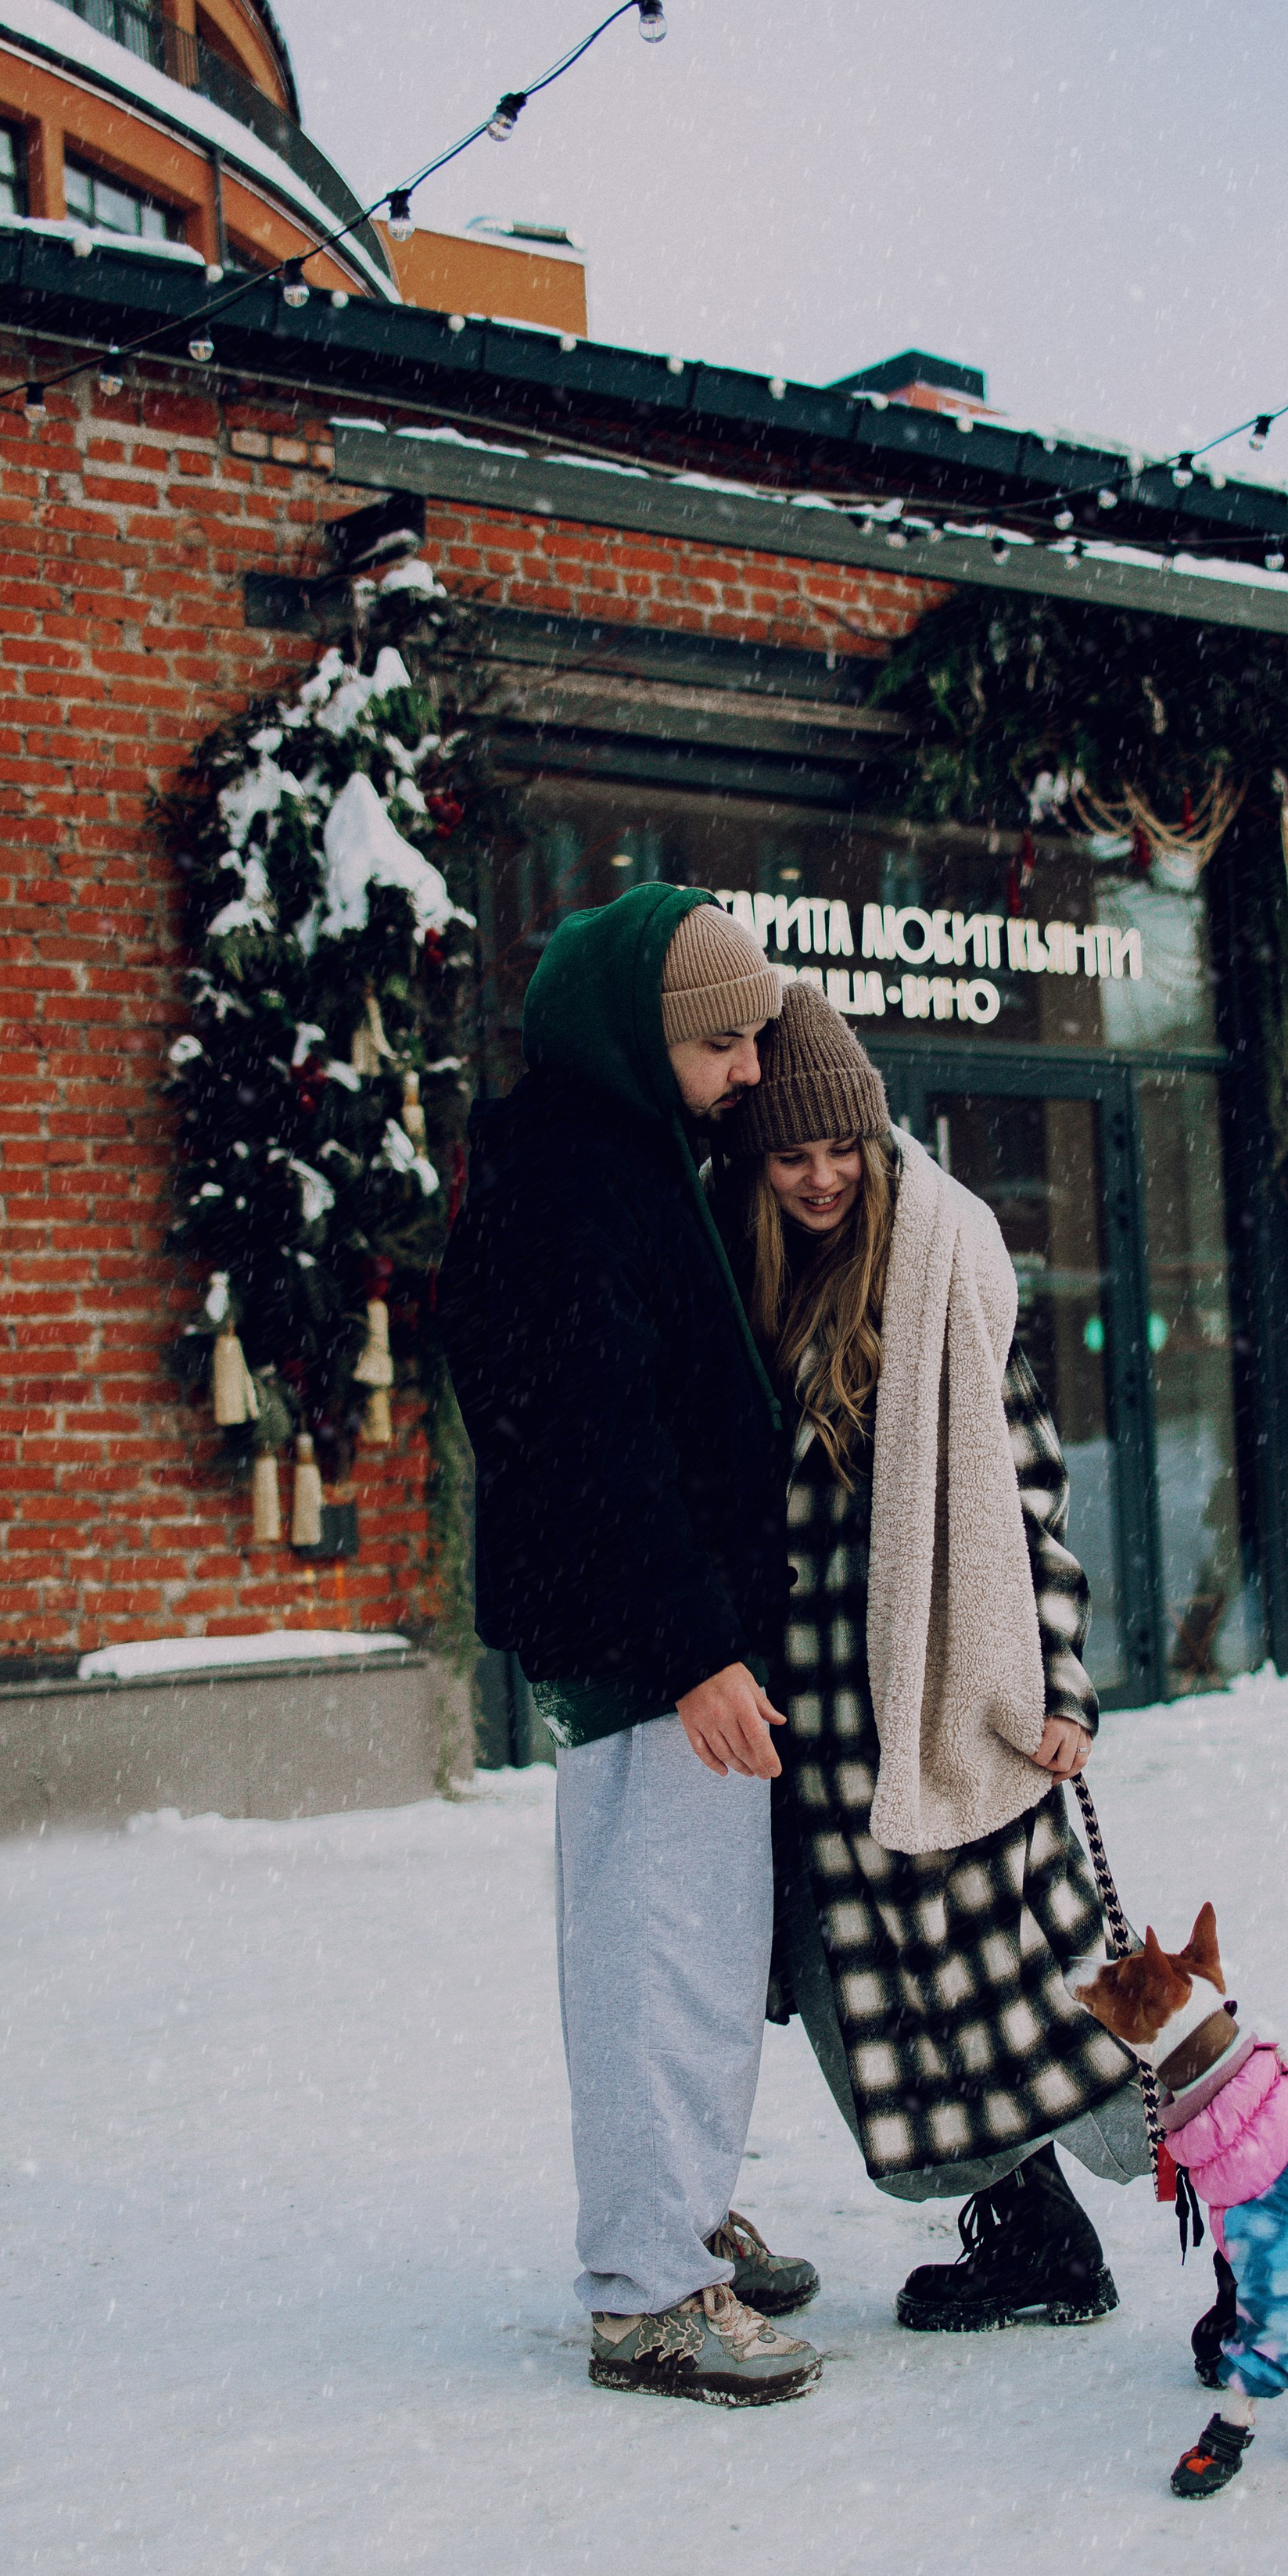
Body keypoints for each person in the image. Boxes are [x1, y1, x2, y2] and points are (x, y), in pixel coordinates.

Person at [439, 884, 824, 2407]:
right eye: (724, 1043)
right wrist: (686, 1645)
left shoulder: (636, 1155)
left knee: (707, 1952)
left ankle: (680, 2225)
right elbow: (594, 1439)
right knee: (654, 1959)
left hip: (687, 1633)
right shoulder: (564, 1179)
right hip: (647, 1643)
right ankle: (643, 2291)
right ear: (641, 1035)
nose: (748, 1072)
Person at [714, 980, 1149, 2330]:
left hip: (937, 1689)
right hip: (813, 1713)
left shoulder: (937, 1278)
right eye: (793, 1153)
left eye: (841, 1147)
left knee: (995, 1980)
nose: (824, 1176)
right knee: (884, 2000)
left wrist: (1063, 1679)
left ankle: (1081, 2231)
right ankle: (1029, 2235)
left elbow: (1027, 1495)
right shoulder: (749, 1279)